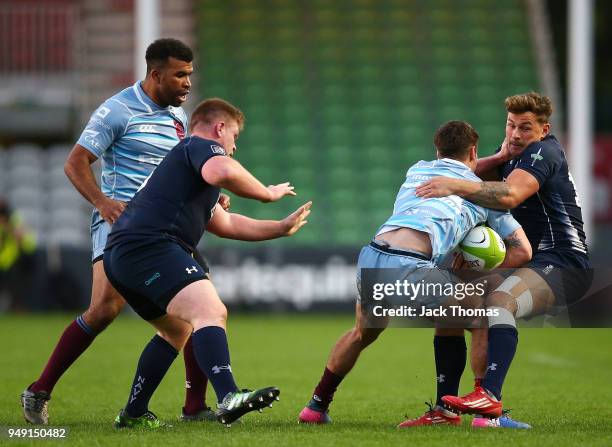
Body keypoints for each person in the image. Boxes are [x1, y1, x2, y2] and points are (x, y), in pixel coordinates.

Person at [21, 38, 220, 425]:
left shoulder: (178, 120)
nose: (187, 83)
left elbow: (178, 174)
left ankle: (190, 408)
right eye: (180, 75)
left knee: (193, 315)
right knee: (105, 309)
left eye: (190, 75)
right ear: (156, 74)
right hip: (121, 227)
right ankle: (38, 390)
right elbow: (76, 162)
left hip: (166, 230)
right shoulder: (118, 110)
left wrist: (209, 197)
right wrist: (102, 202)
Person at [298, 120, 531, 425]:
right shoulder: (486, 198)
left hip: (373, 255)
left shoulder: (417, 170)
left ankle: (316, 406)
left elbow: (458, 169)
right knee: (482, 316)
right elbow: (522, 251)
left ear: (437, 151)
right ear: (473, 150)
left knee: (362, 333)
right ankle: (483, 412)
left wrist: (497, 159)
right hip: (409, 263)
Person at [104, 97, 311, 428]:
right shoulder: (200, 146)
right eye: (235, 138)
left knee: (177, 330)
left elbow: (226, 224)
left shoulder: (189, 170)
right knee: (210, 311)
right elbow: (222, 167)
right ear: (220, 128)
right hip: (149, 246)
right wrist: (267, 193)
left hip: (123, 255)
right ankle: (228, 397)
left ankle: (133, 413)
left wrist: (281, 228)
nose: (233, 147)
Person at [415, 92, 592, 419]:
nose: (515, 134)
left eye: (525, 128)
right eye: (511, 125)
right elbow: (474, 176)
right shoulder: (513, 152)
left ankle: (490, 401)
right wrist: (497, 157)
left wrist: (453, 185)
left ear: (543, 129)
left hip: (563, 261)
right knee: (452, 309)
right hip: (530, 259)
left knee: (500, 301)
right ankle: (446, 409)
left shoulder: (544, 151)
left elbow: (509, 195)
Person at [0, 198, 37, 310]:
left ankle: (16, 306)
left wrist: (16, 234)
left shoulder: (15, 222)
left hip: (12, 262)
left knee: (18, 275)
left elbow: (29, 245)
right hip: (6, 262)